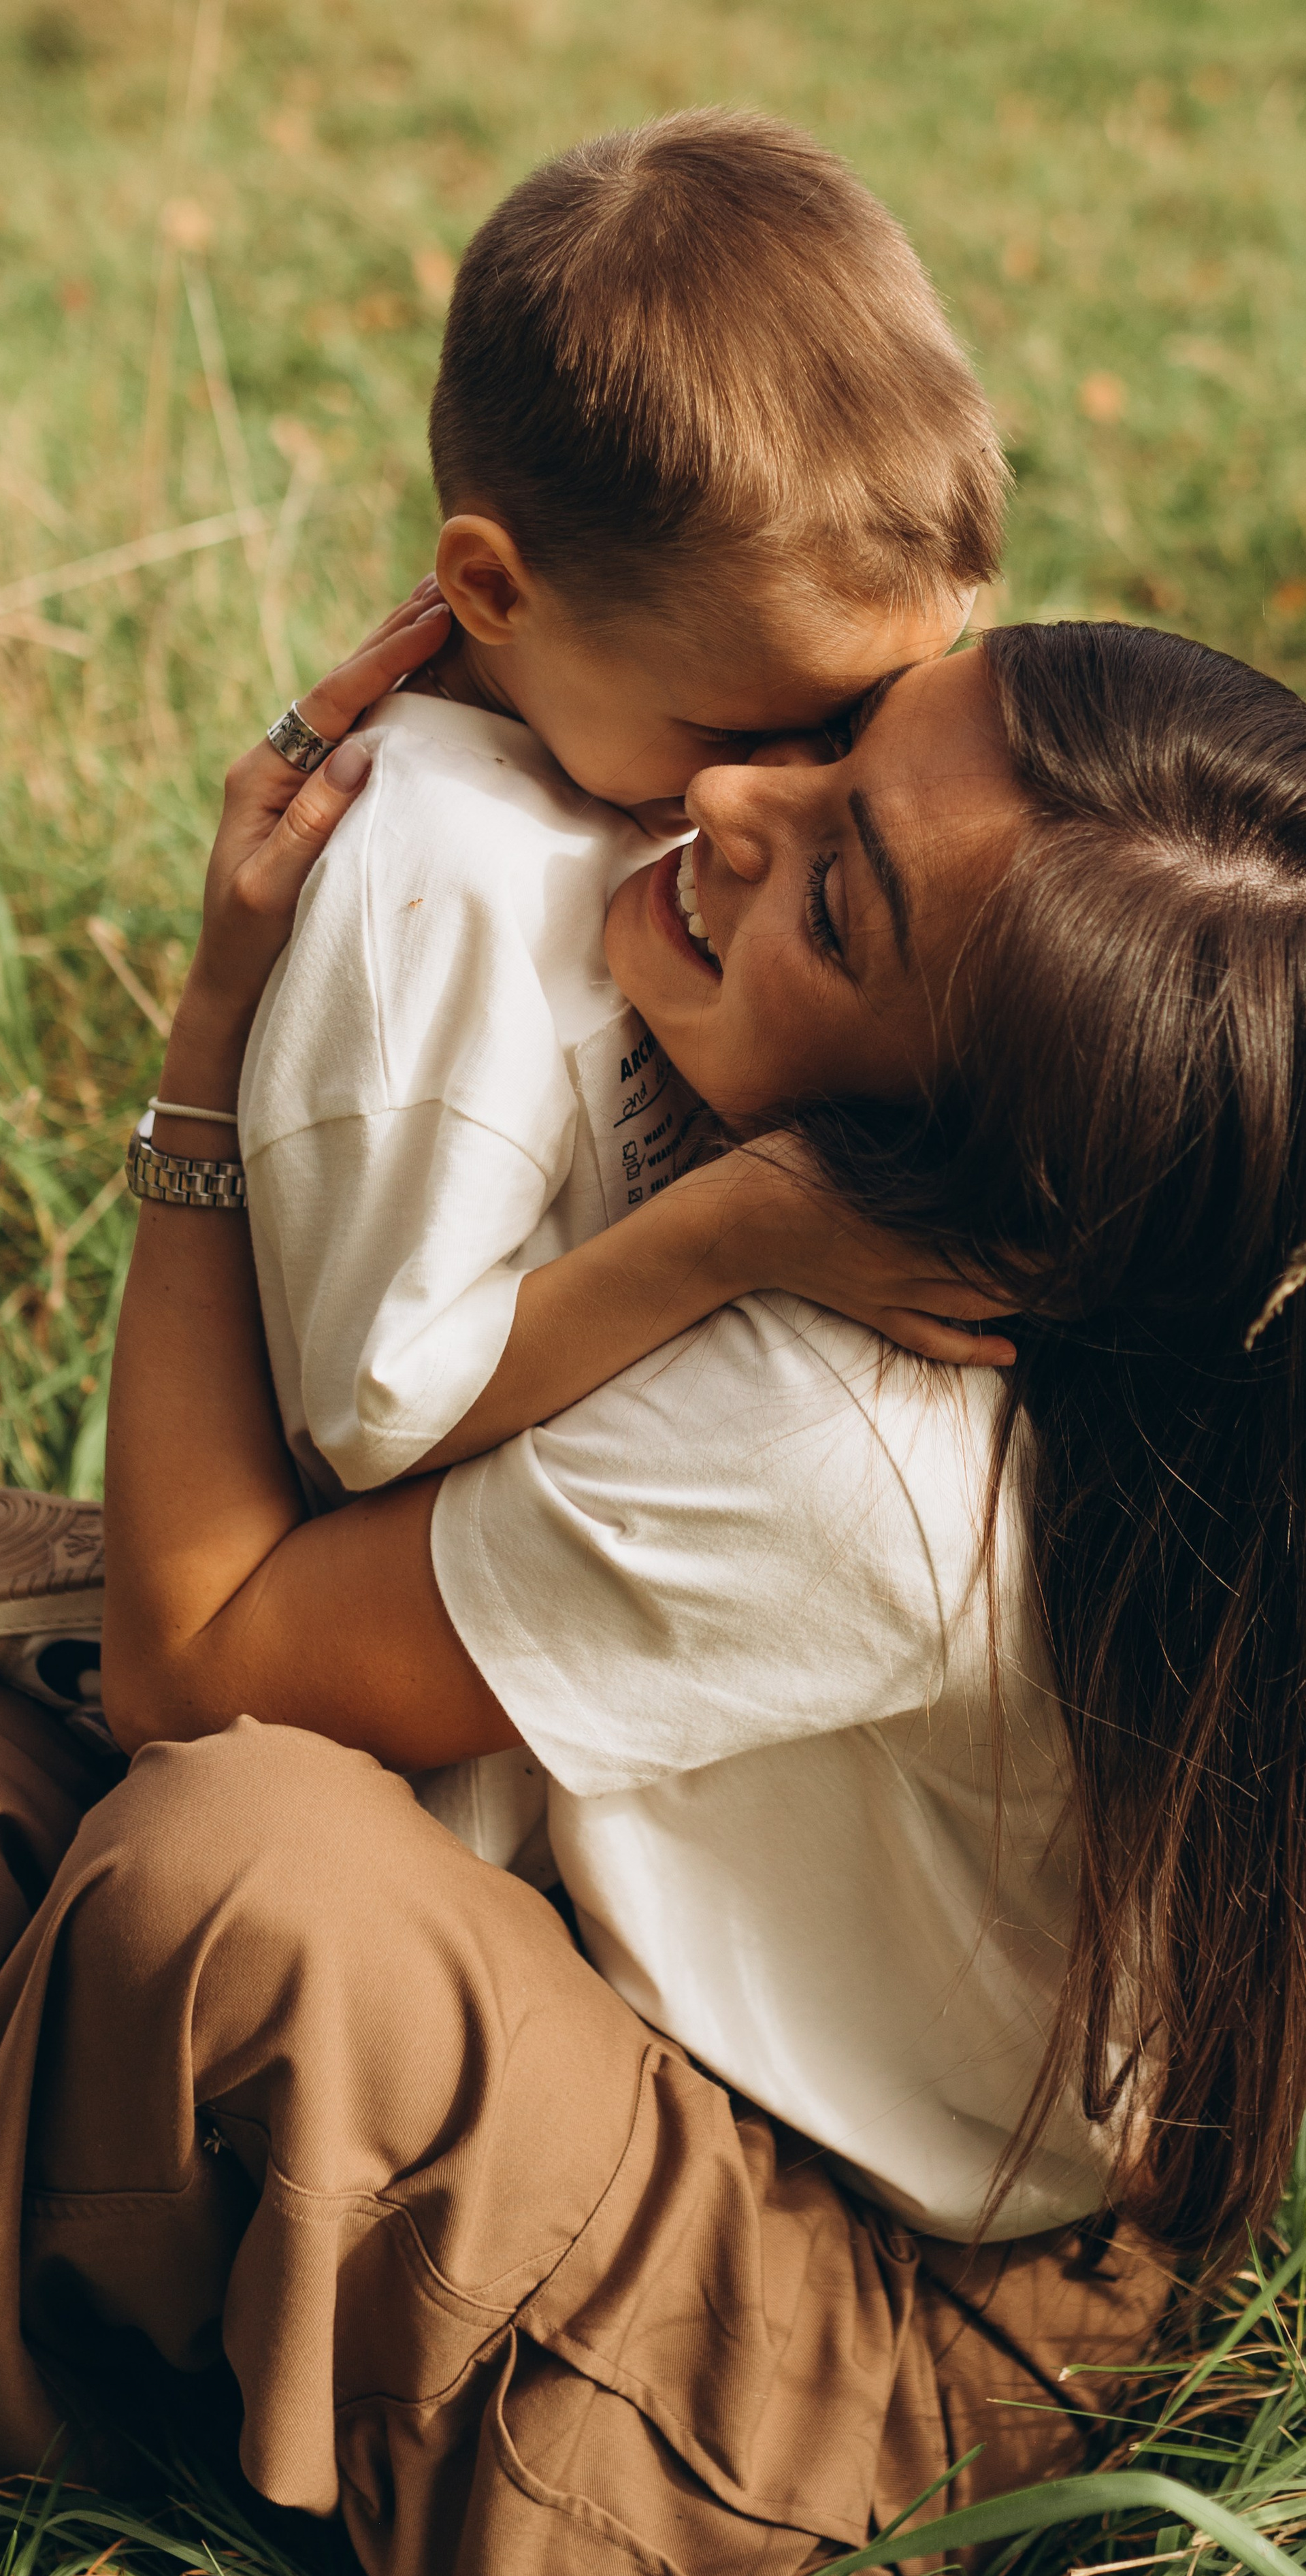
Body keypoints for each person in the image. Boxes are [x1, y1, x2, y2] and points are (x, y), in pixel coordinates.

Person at [0, 599, 1306, 2576]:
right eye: (841, 736)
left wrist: (212, 1050)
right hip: (613, 1971)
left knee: (235, 1868)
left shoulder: (858, 1449)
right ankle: (52, 2207)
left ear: (995, 1191)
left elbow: (201, 1663)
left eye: (839, 901)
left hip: (847, 2331)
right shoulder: (950, 1252)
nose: (728, 795)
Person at [233, 114, 1011, 1871]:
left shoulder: (616, 757)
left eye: (865, 719)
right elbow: (380, 1411)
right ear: (492, 588)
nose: (768, 793)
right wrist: (740, 1235)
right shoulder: (442, 896)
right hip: (443, 1754)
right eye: (746, 729)